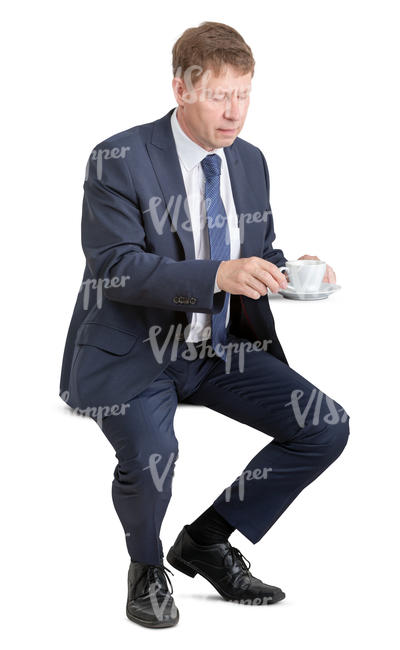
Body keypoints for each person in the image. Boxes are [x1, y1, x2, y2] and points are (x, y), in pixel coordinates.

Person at [59, 21, 350, 629]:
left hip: (217, 349)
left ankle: (207, 540)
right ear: (181, 88)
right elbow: (115, 266)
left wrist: (290, 270)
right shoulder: (119, 158)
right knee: (154, 450)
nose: (234, 111)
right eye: (219, 94)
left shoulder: (249, 162)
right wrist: (219, 274)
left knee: (325, 427)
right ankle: (145, 567)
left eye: (243, 93)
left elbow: (257, 249)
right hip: (135, 350)